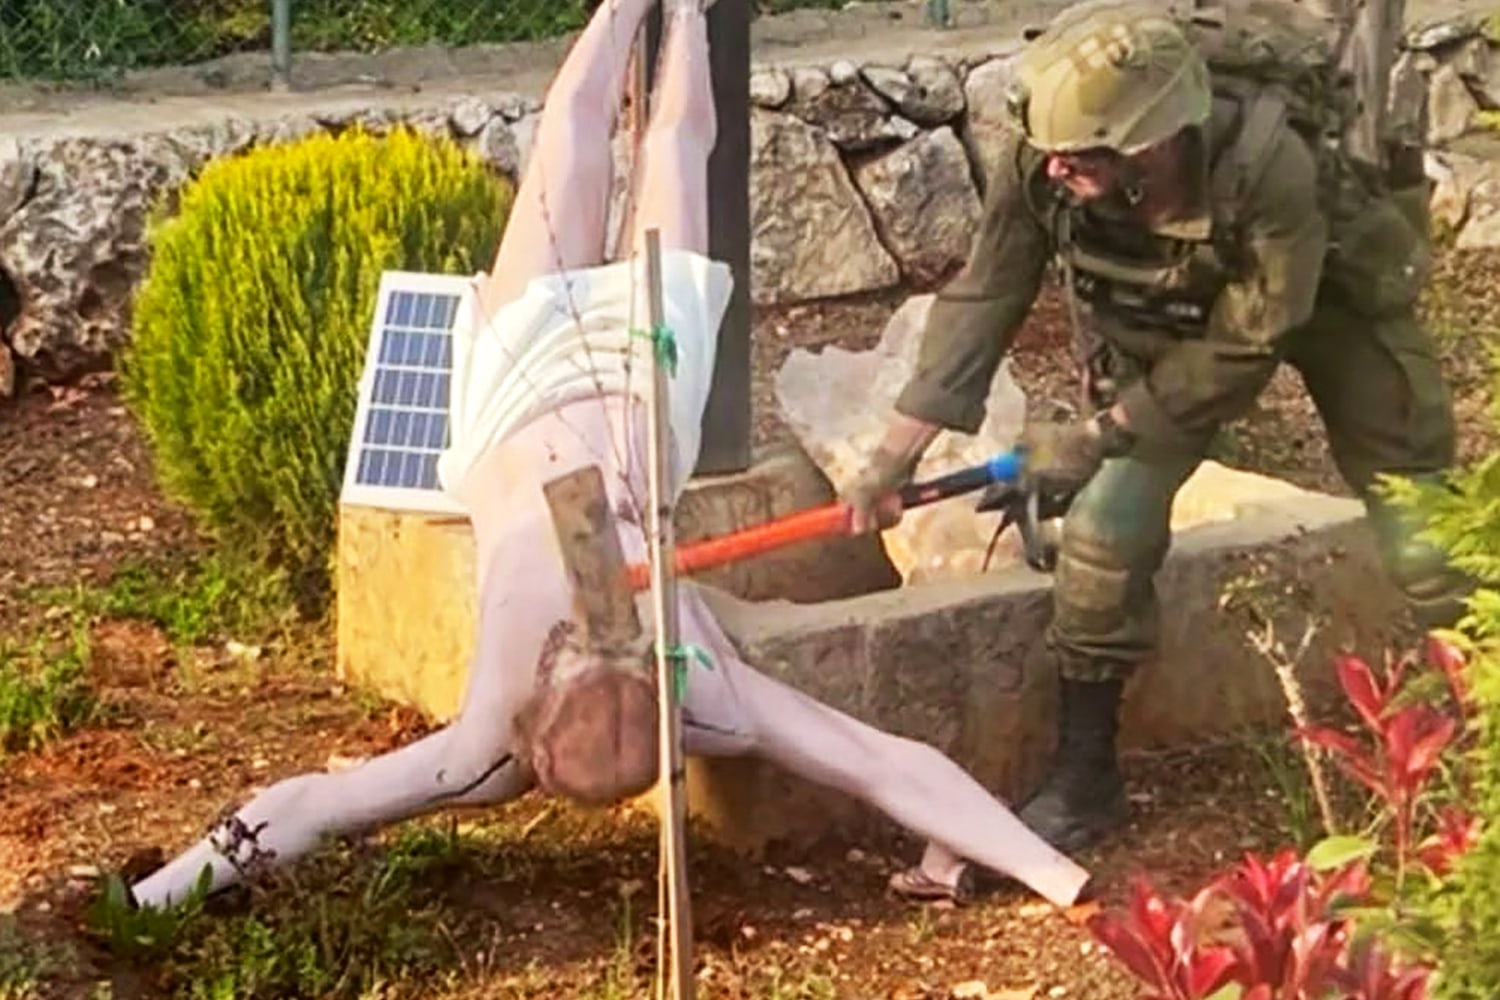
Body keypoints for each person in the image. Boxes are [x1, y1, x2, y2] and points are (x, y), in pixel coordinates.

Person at [125, 0, 1093, 913]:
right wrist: (1058, 878)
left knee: (575, 139)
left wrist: (161, 893)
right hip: (641, 379)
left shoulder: (533, 729)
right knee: (665, 142)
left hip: (517, 387)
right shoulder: (697, 700)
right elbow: (884, 762)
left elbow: (308, 806)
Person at [844, 0, 1471, 855]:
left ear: (1152, 139)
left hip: (1325, 301)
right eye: (1055, 151)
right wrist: (892, 455)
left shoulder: (1269, 166)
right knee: (1105, 530)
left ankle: (1481, 715)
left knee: (1419, 517)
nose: (1058, 168)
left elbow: (1253, 338)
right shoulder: (1048, 157)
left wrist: (1099, 431)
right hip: (1173, 326)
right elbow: (986, 294)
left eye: (1082, 154)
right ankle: (1086, 777)